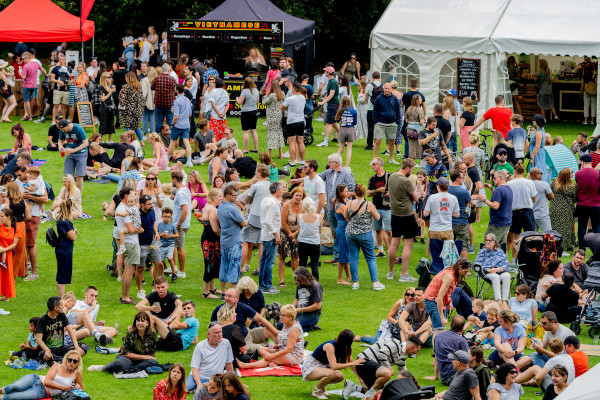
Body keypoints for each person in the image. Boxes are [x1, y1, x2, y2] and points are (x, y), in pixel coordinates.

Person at [346, 335, 422, 399]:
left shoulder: (403, 356)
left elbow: (404, 373)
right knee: (387, 373)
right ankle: (369, 394)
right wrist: (388, 368)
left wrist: (415, 388)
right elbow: (381, 353)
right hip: (363, 363)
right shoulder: (395, 343)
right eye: (417, 350)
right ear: (412, 347)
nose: (417, 353)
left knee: (383, 394)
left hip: (373, 369)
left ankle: (354, 387)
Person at [301, 329, 365, 400]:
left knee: (340, 376)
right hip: (310, 367)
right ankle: (316, 391)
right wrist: (352, 363)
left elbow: (352, 364)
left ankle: (322, 389)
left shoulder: (344, 347)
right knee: (332, 373)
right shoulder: (330, 346)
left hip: (322, 367)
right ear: (345, 341)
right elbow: (334, 366)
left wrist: (360, 378)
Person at [237, 303, 304, 370]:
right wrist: (274, 347)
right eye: (281, 314)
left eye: (284, 315)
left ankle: (245, 365)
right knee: (263, 351)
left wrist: (273, 355)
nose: (281, 317)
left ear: (291, 317)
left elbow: (289, 349)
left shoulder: (294, 330)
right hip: (284, 351)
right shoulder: (286, 324)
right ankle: (276, 363)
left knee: (269, 358)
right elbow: (285, 343)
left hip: (294, 356)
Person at [345, 184, 385, 291]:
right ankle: (375, 283)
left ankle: (355, 283)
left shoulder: (349, 203)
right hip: (365, 234)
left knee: (353, 258)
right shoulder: (369, 204)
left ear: (355, 193)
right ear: (363, 193)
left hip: (351, 233)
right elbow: (377, 217)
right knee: (370, 258)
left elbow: (346, 217)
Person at [0, 349, 84, 400]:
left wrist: (77, 387)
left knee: (14, 397)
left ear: (78, 363)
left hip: (41, 392)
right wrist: (63, 388)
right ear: (66, 360)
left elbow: (81, 392)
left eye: (75, 361)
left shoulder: (77, 373)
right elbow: (47, 382)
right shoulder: (57, 366)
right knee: (15, 387)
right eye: (70, 360)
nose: (72, 363)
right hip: (35, 379)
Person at [319, 153, 356, 264]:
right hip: (331, 209)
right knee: (334, 233)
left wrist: (339, 197)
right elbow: (315, 177)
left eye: (330, 162)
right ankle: (336, 257)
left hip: (342, 209)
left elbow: (353, 190)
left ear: (336, 163)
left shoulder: (346, 173)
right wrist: (297, 181)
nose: (328, 164)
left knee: (343, 234)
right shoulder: (329, 172)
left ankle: (344, 258)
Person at [424, 259, 472, 340]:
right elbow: (439, 297)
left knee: (441, 328)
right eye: (465, 271)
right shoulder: (449, 276)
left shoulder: (454, 274)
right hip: (432, 300)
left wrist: (449, 301)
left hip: (438, 300)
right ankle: (436, 352)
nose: (466, 274)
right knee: (438, 329)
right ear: (459, 267)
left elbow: (447, 291)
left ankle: (439, 351)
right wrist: (442, 317)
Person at [388, 158, 419, 281]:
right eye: (411, 169)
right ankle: (404, 274)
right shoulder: (406, 181)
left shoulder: (391, 177)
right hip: (406, 214)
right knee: (407, 244)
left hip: (394, 214)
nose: (412, 172)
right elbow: (416, 198)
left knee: (394, 243)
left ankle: (390, 272)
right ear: (406, 168)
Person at [36, 296, 87, 362]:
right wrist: (47, 350)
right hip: (50, 350)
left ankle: (59, 360)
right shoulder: (42, 320)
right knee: (42, 354)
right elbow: (38, 339)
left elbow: (70, 331)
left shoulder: (62, 315)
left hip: (62, 348)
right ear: (56, 308)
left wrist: (76, 347)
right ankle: (64, 359)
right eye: (61, 305)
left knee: (83, 349)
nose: (63, 306)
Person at [186, 322, 234, 391]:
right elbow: (195, 368)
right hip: (199, 377)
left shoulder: (226, 343)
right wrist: (198, 384)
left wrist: (234, 382)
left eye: (221, 332)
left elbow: (229, 364)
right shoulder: (200, 346)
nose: (220, 335)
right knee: (182, 389)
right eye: (216, 333)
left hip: (217, 379)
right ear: (209, 334)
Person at [218, 185, 247, 292]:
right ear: (228, 195)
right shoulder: (232, 208)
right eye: (234, 196)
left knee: (224, 267)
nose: (236, 197)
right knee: (234, 266)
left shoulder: (221, 206)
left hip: (224, 240)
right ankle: (233, 293)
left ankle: (224, 293)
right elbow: (244, 223)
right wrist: (241, 215)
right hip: (234, 242)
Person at [259, 182, 286, 293]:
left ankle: (262, 284)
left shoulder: (266, 200)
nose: (283, 191)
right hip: (270, 236)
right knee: (269, 262)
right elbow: (268, 221)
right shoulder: (273, 203)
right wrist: (276, 234)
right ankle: (266, 286)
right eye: (281, 190)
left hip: (265, 234)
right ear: (277, 191)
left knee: (264, 261)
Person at [429, 316, 469, 384]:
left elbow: (436, 356)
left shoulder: (438, 336)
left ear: (450, 324)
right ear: (462, 328)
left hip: (444, 377)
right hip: (455, 376)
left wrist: (436, 376)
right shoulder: (461, 341)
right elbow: (467, 360)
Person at [475, 233, 511, 302]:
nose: (488, 242)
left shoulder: (500, 252)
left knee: (507, 276)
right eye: (486, 240)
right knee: (495, 277)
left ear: (494, 242)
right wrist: (487, 269)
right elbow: (476, 264)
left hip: (500, 271)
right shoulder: (482, 252)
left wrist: (497, 269)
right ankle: (498, 300)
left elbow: (506, 265)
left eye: (490, 240)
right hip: (488, 273)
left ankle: (505, 300)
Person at [479, 170, 513, 244]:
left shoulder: (499, 190)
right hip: (506, 223)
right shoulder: (508, 188)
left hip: (497, 224)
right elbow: (499, 199)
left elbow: (495, 206)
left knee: (489, 244)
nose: (492, 180)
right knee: (501, 246)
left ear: (500, 178)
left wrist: (484, 199)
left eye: (494, 178)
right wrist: (491, 188)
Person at [367, 158, 391, 258]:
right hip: (376, 208)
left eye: (374, 164)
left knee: (389, 231)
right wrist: (377, 190)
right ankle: (381, 250)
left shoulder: (389, 176)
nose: (372, 166)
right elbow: (368, 193)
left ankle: (391, 250)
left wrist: (391, 192)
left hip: (387, 208)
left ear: (380, 164)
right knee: (377, 230)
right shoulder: (373, 179)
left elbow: (397, 189)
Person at [372, 83, 401, 163]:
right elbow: (375, 110)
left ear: (391, 89)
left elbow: (398, 110)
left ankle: (391, 159)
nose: (387, 90)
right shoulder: (379, 98)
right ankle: (374, 159)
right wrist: (376, 121)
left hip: (392, 123)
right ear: (383, 89)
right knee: (378, 141)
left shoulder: (394, 98)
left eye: (388, 88)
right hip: (380, 123)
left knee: (392, 141)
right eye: (385, 88)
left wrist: (397, 122)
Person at [575, 154, 600, 248]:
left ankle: (582, 247)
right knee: (597, 227)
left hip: (582, 204)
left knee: (582, 227)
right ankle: (597, 247)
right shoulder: (598, 173)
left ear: (582, 162)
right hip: (596, 204)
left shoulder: (578, 173)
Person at [57, 119, 89, 193]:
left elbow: (86, 143)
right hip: (69, 153)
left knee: (79, 175)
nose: (63, 131)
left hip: (81, 153)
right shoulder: (62, 130)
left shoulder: (78, 128)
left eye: (64, 129)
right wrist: (60, 146)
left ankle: (78, 194)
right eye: (62, 130)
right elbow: (60, 140)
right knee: (68, 175)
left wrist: (74, 150)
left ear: (68, 125)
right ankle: (69, 193)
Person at [53, 199, 77, 297]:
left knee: (60, 272)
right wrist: (75, 231)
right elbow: (73, 237)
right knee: (63, 274)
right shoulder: (66, 222)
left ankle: (60, 296)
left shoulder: (60, 219)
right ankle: (61, 297)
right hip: (65, 249)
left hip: (61, 247)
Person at [448, 170, 471, 258]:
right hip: (461, 221)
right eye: (462, 178)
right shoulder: (463, 192)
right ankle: (464, 268)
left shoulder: (447, 190)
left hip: (449, 221)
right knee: (463, 245)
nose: (463, 180)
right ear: (457, 179)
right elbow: (470, 203)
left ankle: (451, 266)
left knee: (449, 244)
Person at [298, 197, 323, 280]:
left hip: (302, 242)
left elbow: (299, 229)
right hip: (314, 243)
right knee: (314, 265)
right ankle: (316, 284)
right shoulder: (319, 217)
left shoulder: (300, 216)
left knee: (302, 264)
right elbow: (320, 231)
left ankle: (301, 282)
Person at [316, 66, 341, 147]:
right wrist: (323, 100)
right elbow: (328, 93)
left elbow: (331, 94)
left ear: (329, 73)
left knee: (328, 123)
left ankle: (325, 142)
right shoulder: (330, 81)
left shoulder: (333, 81)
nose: (324, 73)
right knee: (334, 123)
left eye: (325, 71)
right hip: (332, 105)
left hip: (333, 105)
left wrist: (322, 102)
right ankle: (344, 139)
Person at [292, 267, 323, 331]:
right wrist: (292, 307)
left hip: (311, 315)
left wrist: (301, 310)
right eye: (295, 279)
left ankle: (311, 328)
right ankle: (305, 327)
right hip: (298, 313)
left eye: (298, 280)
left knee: (292, 326)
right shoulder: (300, 284)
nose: (296, 282)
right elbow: (296, 299)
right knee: (280, 325)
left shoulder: (315, 286)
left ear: (305, 278)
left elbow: (317, 305)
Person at [263, 78, 285, 158]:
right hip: (279, 116)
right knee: (279, 133)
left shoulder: (272, 95)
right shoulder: (282, 94)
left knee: (271, 134)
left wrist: (267, 93)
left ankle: (269, 154)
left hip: (271, 117)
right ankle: (280, 154)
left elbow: (264, 102)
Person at [0, 208, 19, 300]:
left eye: (2, 216)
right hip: (1, 252)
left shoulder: (15, 229)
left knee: (6, 275)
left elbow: (14, 244)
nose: (0, 218)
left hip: (7, 254)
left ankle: (5, 295)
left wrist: (3, 250)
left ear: (8, 217)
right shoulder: (0, 226)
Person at [237, 77, 259, 153]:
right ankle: (256, 148)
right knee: (253, 130)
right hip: (254, 111)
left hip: (246, 112)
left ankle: (246, 149)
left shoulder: (244, 91)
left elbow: (240, 102)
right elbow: (257, 101)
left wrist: (237, 99)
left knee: (246, 131)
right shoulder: (256, 90)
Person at [335, 96, 357, 168]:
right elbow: (355, 122)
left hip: (342, 129)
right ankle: (347, 166)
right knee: (349, 149)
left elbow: (337, 120)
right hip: (350, 129)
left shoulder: (340, 110)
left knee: (340, 149)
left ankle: (334, 163)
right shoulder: (353, 111)